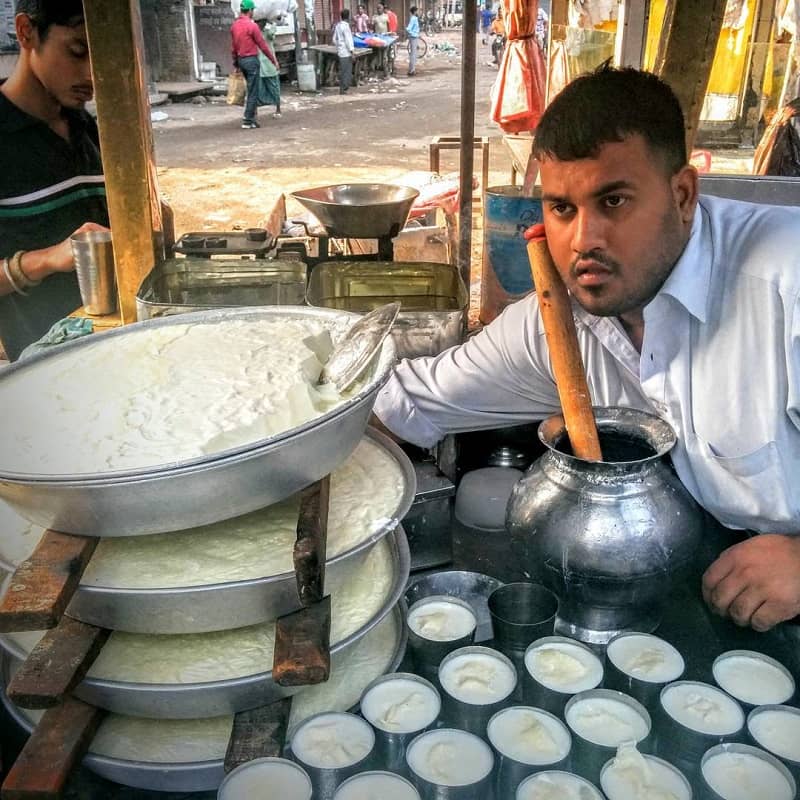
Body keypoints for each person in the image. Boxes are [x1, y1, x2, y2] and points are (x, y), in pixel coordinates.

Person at [373, 65, 800, 634]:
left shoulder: (785, 280)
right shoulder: (554, 324)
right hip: (708, 580)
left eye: (615, 201)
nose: (584, 240)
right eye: (562, 209)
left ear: (682, 194)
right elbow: (402, 405)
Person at [0, 0, 109, 362]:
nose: (93, 73)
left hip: (113, 346)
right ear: (26, 32)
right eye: (77, 51)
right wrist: (47, 260)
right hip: (48, 371)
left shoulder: (86, 126)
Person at [231, 0, 279, 130]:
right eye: (253, 10)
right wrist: (273, 60)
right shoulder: (252, 26)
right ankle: (247, 120)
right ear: (250, 11)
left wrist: (236, 64)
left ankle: (252, 119)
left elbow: (234, 47)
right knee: (253, 91)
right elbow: (262, 45)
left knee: (250, 89)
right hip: (251, 60)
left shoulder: (234, 26)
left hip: (241, 60)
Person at [256, 21, 282, 118]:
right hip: (258, 62)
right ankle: (255, 111)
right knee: (257, 88)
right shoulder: (253, 31)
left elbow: (271, 35)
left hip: (269, 63)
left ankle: (278, 108)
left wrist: (271, 23)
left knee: (274, 87)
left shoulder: (268, 31)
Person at [332, 9, 355, 95]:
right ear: (348, 17)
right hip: (346, 52)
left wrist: (339, 45)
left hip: (341, 51)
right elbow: (348, 40)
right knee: (347, 71)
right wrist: (352, 52)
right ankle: (344, 89)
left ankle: (342, 88)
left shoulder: (338, 26)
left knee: (343, 71)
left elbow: (334, 39)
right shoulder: (346, 27)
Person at [406, 5, 420, 76]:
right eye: (417, 10)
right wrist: (413, 34)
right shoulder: (413, 19)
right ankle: (411, 71)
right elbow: (408, 29)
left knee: (414, 54)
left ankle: (412, 69)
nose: (418, 12)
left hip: (415, 37)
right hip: (413, 37)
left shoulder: (415, 18)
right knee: (413, 54)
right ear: (414, 11)